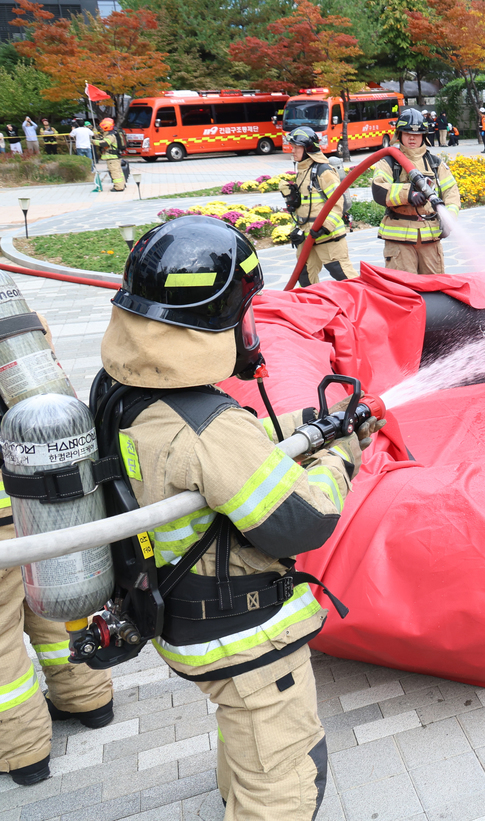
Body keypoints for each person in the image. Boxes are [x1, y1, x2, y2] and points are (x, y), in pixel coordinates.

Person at [97, 215, 375, 819]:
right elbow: (302, 519)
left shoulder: (122, 389)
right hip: (243, 632)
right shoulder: (207, 426)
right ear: (219, 318)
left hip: (183, 614)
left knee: (246, 734)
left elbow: (223, 463)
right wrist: (341, 453)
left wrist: (307, 426)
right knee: (285, 774)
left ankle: (234, 792)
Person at [0, 322, 116, 786]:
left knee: (2, 642)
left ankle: (24, 750)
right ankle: (88, 700)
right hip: (31, 503)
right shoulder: (13, 318)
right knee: (50, 603)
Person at [371, 108, 461, 276]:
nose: (412, 137)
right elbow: (378, 189)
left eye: (417, 134)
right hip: (399, 240)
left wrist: (450, 218)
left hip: (430, 238)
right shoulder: (389, 162)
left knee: (436, 288)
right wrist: (408, 194)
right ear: (399, 134)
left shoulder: (434, 163)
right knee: (403, 291)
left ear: (424, 135)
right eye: (407, 133)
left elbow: (452, 193)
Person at [280, 126, 352, 286]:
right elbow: (304, 209)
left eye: (296, 147)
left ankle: (364, 304)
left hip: (329, 237)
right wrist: (296, 230)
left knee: (343, 274)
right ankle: (315, 308)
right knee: (305, 278)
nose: (293, 151)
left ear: (308, 149)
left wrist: (325, 227)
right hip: (307, 238)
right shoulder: (303, 171)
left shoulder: (323, 171)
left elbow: (337, 201)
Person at [94, 118, 124, 192]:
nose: (100, 129)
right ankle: (121, 184)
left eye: (101, 128)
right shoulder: (112, 134)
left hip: (112, 158)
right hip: (115, 157)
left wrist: (93, 141)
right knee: (119, 172)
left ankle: (118, 187)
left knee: (115, 172)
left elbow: (105, 143)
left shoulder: (110, 136)